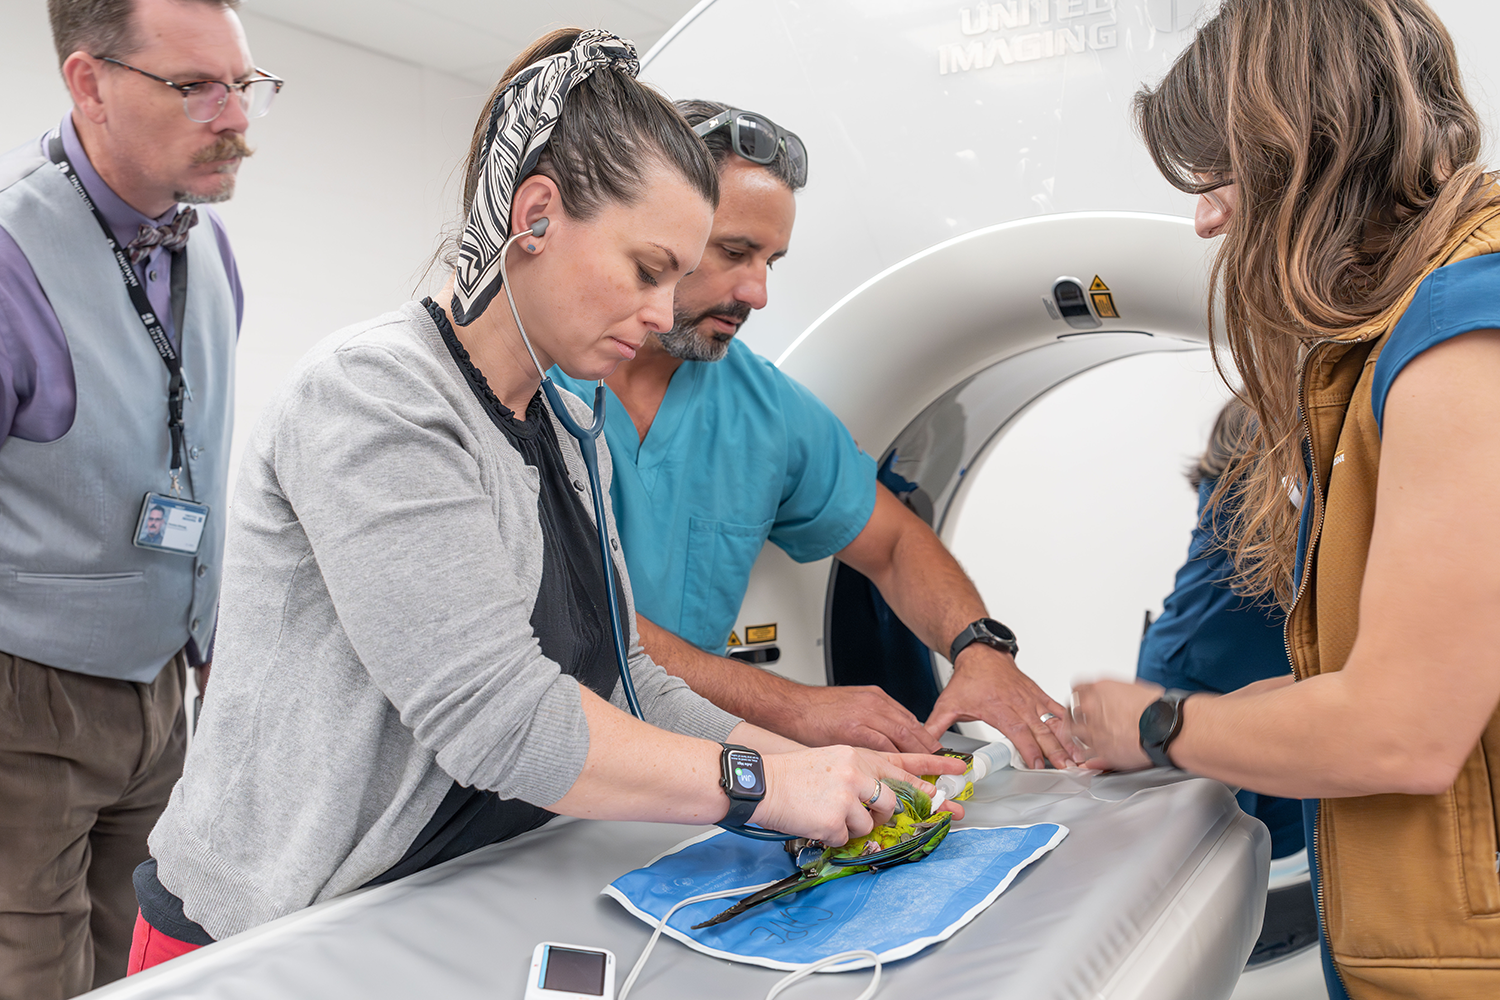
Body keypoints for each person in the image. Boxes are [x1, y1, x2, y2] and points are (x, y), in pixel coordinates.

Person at [130, 29, 963, 973]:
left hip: (442, 897)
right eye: (649, 270)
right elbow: (502, 719)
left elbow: (630, 680)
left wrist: (830, 772)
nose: (662, 312)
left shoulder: (569, 430)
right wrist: (769, 779)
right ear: (535, 215)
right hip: (269, 934)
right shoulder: (375, 396)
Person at [1071, 1, 1500, 997]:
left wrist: (1158, 723)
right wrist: (1242, 708)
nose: (1205, 217)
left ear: (1298, 148)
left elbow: (1403, 730)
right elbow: (1418, 673)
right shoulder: (1398, 336)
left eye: (1216, 176)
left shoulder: (1463, 327)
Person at [553, 99, 1083, 770]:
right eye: (735, 252)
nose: (757, 293)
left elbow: (891, 543)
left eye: (770, 262)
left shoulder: (760, 406)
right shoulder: (536, 386)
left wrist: (980, 649)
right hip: (538, 769)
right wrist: (796, 708)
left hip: (693, 763)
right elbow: (582, 624)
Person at [0, 0, 272, 994]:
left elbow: (187, 457)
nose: (233, 117)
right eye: (196, 87)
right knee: (32, 975)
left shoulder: (208, 250)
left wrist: (210, 655)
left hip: (164, 689)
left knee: (145, 971)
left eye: (243, 86)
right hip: (25, 704)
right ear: (89, 82)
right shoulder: (8, 255)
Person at [1135, 399, 1302, 859]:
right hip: (1198, 672)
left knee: (1279, 827)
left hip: (1249, 662)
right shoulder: (1259, 429)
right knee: (1214, 845)